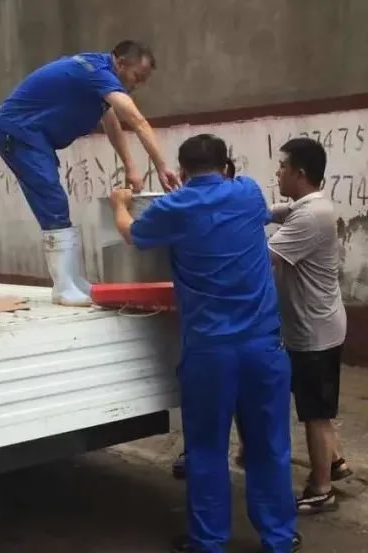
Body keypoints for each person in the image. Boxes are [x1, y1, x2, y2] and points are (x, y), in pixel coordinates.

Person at [109, 134, 300, 553]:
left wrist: (119, 204)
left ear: (181, 170)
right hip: (263, 348)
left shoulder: (172, 208)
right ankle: (279, 537)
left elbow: (131, 233)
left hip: (210, 352)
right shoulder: (248, 193)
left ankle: (209, 541)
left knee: (207, 448)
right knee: (269, 446)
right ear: (226, 165)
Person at [0, 40, 178, 307]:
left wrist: (131, 168)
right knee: (52, 199)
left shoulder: (99, 79)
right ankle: (64, 287)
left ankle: (73, 280)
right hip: (19, 131)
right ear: (120, 63)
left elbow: (112, 122)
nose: (136, 85)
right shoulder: (95, 72)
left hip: (34, 135)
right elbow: (136, 120)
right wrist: (161, 166)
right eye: (137, 77)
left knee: (55, 200)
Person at [268, 138, 351, 514]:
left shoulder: (309, 217)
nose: (278, 172)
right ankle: (335, 461)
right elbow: (276, 211)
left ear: (299, 173)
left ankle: (321, 489)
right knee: (319, 403)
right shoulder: (311, 206)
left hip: (313, 332)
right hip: (320, 324)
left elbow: (264, 257)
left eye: (282, 166)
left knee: (314, 412)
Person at [170, 156, 245, 481]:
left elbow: (135, 232)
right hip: (223, 329)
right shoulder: (244, 199)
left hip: (218, 334)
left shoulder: (233, 213)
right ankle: (197, 451)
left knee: (221, 401)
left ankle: (214, 452)